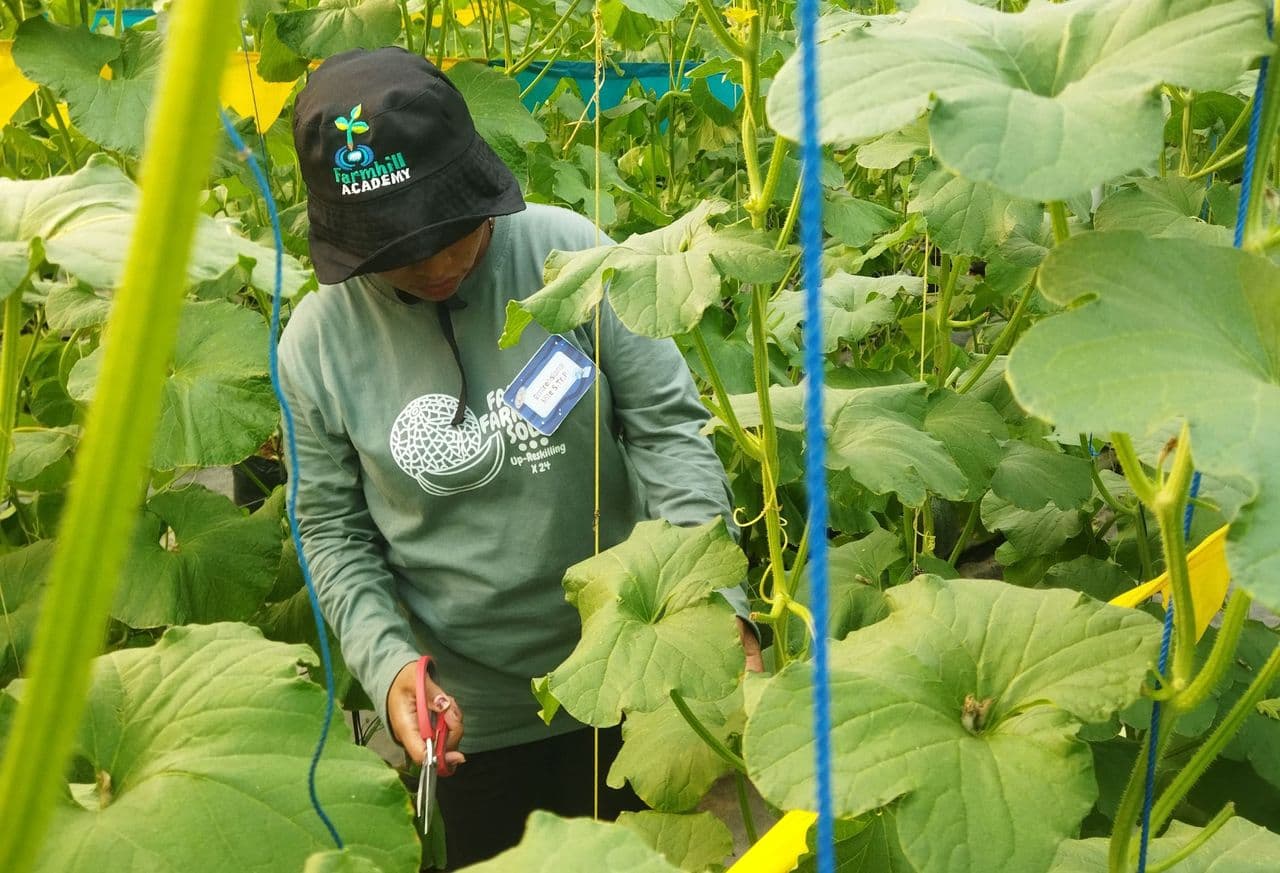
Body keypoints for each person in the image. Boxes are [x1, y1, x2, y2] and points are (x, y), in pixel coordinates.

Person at [280, 46, 761, 869]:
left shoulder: (568, 252)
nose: (436, 263)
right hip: (474, 716)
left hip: (642, 672)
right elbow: (332, 532)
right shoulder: (316, 346)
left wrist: (713, 602)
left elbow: (666, 426)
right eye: (400, 249)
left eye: (452, 229)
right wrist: (393, 667)